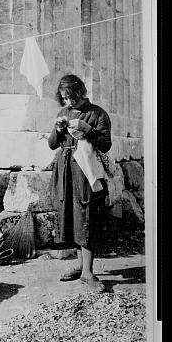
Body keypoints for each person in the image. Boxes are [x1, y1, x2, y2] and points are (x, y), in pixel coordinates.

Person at [48, 74, 112, 293]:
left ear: (80, 92)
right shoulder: (63, 113)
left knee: (86, 216)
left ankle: (88, 272)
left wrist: (88, 129)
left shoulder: (97, 113)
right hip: (66, 171)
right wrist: (57, 130)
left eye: (71, 97)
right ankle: (80, 265)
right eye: (64, 98)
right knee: (72, 216)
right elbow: (52, 145)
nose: (69, 102)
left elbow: (105, 145)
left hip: (87, 173)